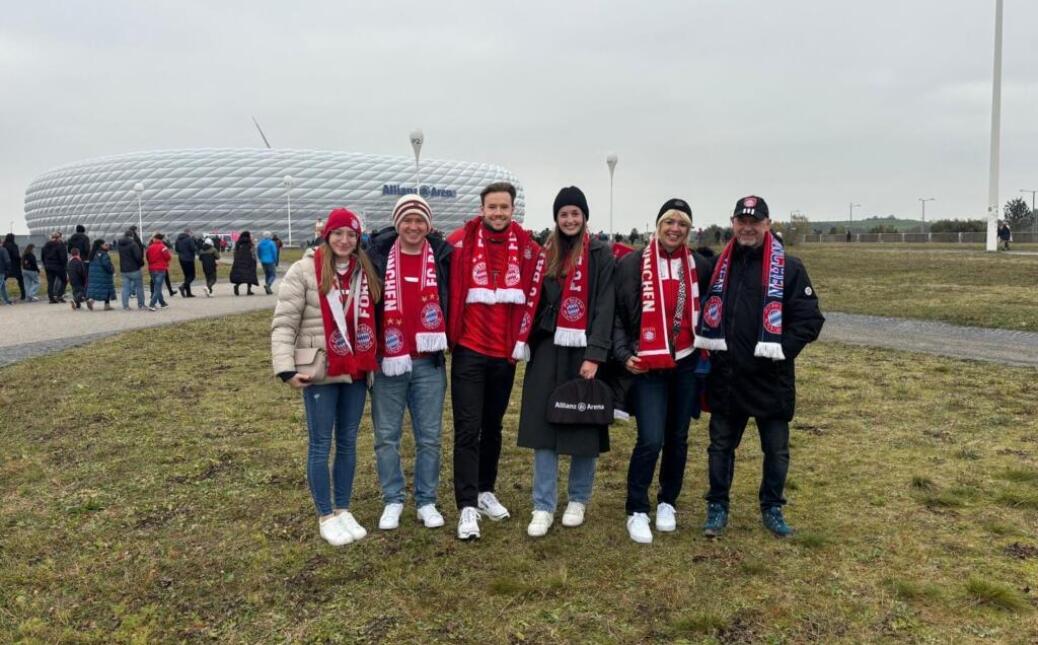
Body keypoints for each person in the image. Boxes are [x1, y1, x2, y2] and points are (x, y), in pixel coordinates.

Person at [696, 196, 824, 538]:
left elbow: (810, 320)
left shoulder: (791, 269)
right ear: (733, 222)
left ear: (767, 224)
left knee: (776, 450)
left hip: (771, 377)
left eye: (755, 221)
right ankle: (717, 505)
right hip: (728, 376)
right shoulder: (719, 268)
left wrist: (781, 350)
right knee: (721, 447)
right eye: (742, 220)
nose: (747, 227)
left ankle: (772, 507)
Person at [270, 208, 383, 546]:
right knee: (321, 443)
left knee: (348, 441)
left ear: (358, 238)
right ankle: (325, 513)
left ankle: (344, 507)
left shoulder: (366, 271)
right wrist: (285, 368)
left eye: (351, 234)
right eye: (338, 234)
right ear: (326, 235)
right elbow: (284, 322)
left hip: (356, 371)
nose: (344, 240)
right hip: (320, 369)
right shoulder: (304, 271)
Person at [514, 187, 615, 537]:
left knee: (583, 421)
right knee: (544, 426)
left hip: (583, 350)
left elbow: (605, 306)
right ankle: (543, 505)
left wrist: (595, 355)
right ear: (556, 218)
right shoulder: (546, 252)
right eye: (563, 214)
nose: (570, 219)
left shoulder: (601, 254)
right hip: (547, 349)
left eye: (575, 213)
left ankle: (578, 498)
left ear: (584, 216)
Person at [612, 198, 713, 544]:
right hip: (648, 365)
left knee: (678, 437)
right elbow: (616, 316)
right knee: (651, 438)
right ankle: (637, 507)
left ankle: (668, 500)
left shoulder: (699, 265)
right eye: (669, 222)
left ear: (689, 230)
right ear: (657, 226)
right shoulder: (630, 264)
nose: (675, 229)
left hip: (686, 362)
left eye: (682, 224)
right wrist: (624, 354)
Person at [447, 181, 541, 540]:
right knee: (468, 429)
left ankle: (486, 490)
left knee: (493, 427)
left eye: (504, 207)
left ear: (512, 209)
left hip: (505, 354)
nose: (498, 213)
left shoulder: (529, 249)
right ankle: (466, 505)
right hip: (470, 349)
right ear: (482, 208)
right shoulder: (461, 242)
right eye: (492, 207)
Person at [367, 195, 452, 531]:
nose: (414, 226)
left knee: (429, 436)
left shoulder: (443, 257)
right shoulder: (377, 257)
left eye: (420, 221)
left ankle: (426, 500)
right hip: (389, 361)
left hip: (428, 363)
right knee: (386, 436)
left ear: (428, 225)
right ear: (397, 222)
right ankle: (393, 499)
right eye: (407, 220)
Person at [117, 228, 146, 310]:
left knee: (125, 288)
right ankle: (141, 305)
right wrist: (141, 263)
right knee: (139, 287)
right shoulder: (133, 244)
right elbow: (138, 257)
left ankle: (125, 306)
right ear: (131, 236)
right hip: (134, 269)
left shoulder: (119, 244)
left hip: (124, 270)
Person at [86, 239, 116, 310]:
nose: (106, 246)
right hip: (104, 275)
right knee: (106, 290)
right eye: (105, 244)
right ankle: (107, 305)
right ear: (101, 245)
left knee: (97, 289)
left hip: (94, 275)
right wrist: (112, 270)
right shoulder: (103, 254)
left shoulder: (92, 254)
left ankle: (91, 301)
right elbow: (106, 264)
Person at [146, 233, 172, 311]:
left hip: (152, 269)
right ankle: (152, 304)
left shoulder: (150, 247)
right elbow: (168, 257)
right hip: (161, 269)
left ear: (156, 238)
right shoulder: (163, 247)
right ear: (161, 239)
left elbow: (147, 257)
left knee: (156, 287)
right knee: (157, 288)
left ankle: (162, 303)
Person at [41, 231, 68, 303]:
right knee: (64, 280)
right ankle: (59, 295)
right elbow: (63, 257)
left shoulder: (45, 246)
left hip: (48, 266)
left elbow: (42, 257)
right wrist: (64, 266)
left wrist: (45, 264)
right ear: (58, 238)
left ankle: (51, 298)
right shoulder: (60, 245)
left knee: (50, 283)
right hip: (58, 266)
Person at [230, 230, 259, 295]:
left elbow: (235, 252)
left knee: (240, 276)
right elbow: (253, 253)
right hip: (249, 262)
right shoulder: (250, 243)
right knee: (250, 276)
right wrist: (255, 261)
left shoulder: (238, 243)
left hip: (239, 261)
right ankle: (249, 290)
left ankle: (237, 285)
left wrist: (235, 259)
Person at [174, 228, 198, 297]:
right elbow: (193, 248)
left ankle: (188, 293)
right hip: (189, 259)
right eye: (191, 233)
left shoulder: (178, 239)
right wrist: (196, 245)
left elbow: (176, 249)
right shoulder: (189, 239)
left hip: (181, 259)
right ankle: (183, 286)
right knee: (192, 276)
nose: (192, 234)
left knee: (187, 276)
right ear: (188, 232)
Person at [3, 234, 25, 301]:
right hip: (15, 266)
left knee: (2, 281)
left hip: (6, 266)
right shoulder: (14, 245)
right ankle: (23, 295)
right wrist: (20, 259)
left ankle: (3, 296)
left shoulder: (4, 246)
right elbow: (16, 255)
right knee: (20, 281)